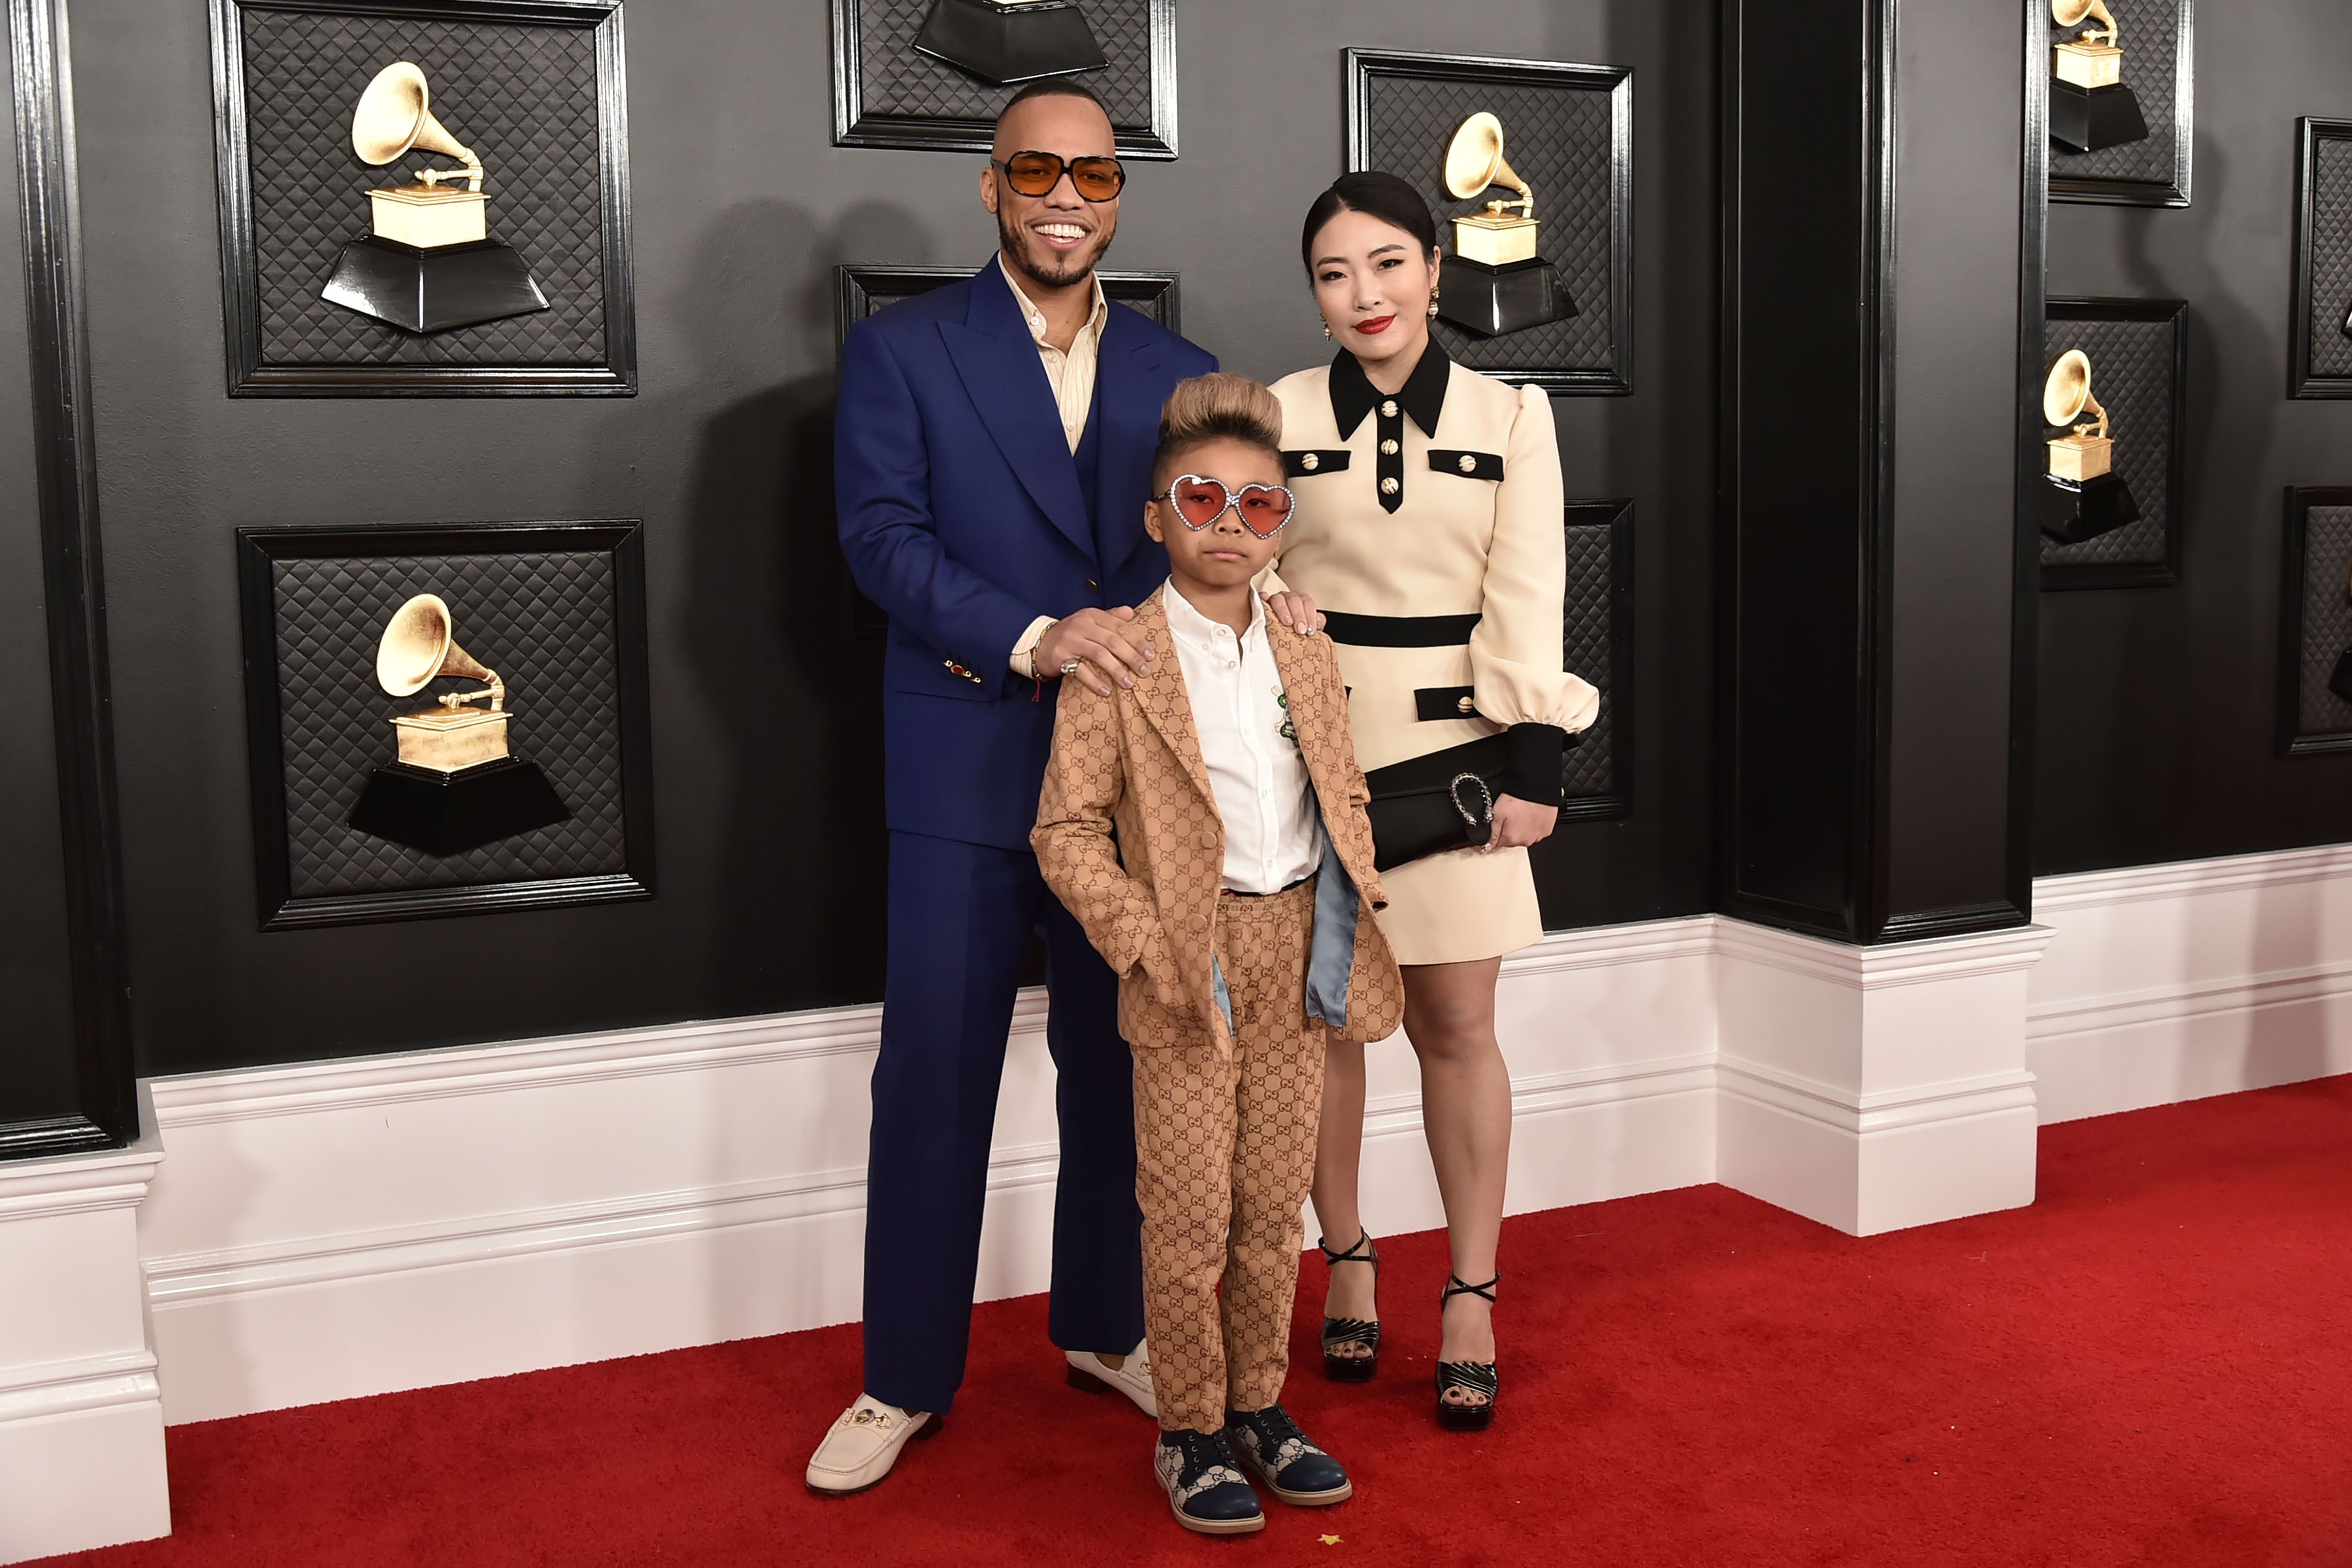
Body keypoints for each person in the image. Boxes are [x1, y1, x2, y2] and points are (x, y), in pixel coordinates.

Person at [815, 80, 1318, 1495]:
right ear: (991, 187)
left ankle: (1107, 1331)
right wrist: (1037, 637)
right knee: (933, 1077)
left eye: (1093, 175)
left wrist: (1285, 607)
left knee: (1125, 1073)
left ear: (1117, 196)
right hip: (968, 763)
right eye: (1036, 169)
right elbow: (879, 540)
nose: (1064, 196)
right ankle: (902, 1377)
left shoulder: (1185, 363)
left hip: (1157, 789)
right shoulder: (904, 350)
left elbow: (1221, 541)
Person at [1033, 374, 1403, 1535]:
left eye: (1258, 504)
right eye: (1201, 500)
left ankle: (1261, 1407)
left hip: (1300, 940)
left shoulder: (1301, 640)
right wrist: (1149, 946)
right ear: (1157, 517)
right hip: (1189, 959)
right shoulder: (1122, 662)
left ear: (1282, 525)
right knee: (1188, 1210)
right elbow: (1064, 830)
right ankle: (1189, 1431)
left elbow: (1334, 785)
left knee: (1269, 1202)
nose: (1229, 525)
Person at [1267, 172, 1599, 1431]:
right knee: (1328, 1033)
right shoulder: (1274, 411)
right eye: (1336, 273)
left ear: (1437, 272)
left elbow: (1532, 590)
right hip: (1308, 761)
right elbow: (1231, 565)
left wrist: (1536, 770)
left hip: (1457, 757)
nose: (1366, 295)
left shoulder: (1514, 413)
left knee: (1457, 1029)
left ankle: (1472, 1292)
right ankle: (1346, 1258)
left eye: (1390, 264)